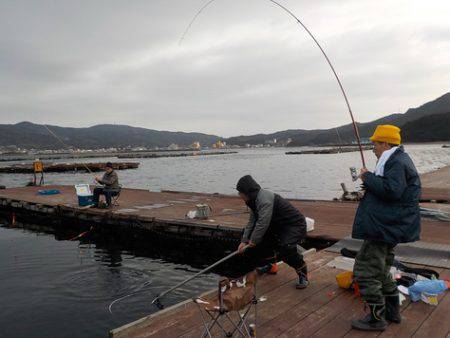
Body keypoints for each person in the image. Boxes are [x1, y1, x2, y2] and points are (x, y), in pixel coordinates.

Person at [351, 125, 421, 331]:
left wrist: (367, 177)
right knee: (381, 270)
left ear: (385, 143)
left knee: (365, 270)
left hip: (386, 226)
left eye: (375, 143)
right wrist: (371, 183)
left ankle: (376, 319)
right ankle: (392, 313)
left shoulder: (396, 161)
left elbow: (392, 190)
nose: (372, 148)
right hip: (390, 225)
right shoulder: (396, 159)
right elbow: (391, 188)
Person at [235, 175, 309, 289]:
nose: (240, 196)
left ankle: (302, 272)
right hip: (277, 226)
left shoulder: (264, 199)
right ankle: (271, 265)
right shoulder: (253, 201)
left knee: (286, 248)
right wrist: (244, 241)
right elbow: (251, 222)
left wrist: (253, 241)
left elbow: (262, 223)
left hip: (293, 225)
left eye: (241, 193)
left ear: (247, 192)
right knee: (260, 243)